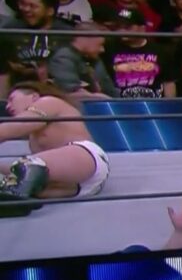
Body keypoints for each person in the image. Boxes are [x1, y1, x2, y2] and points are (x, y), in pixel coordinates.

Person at [0, 81, 111, 216]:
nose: (8, 106)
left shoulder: (47, 102)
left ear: (34, 96)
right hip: (77, 185)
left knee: (28, 165)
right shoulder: (33, 136)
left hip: (85, 156)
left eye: (12, 99)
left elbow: (9, 129)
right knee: (25, 181)